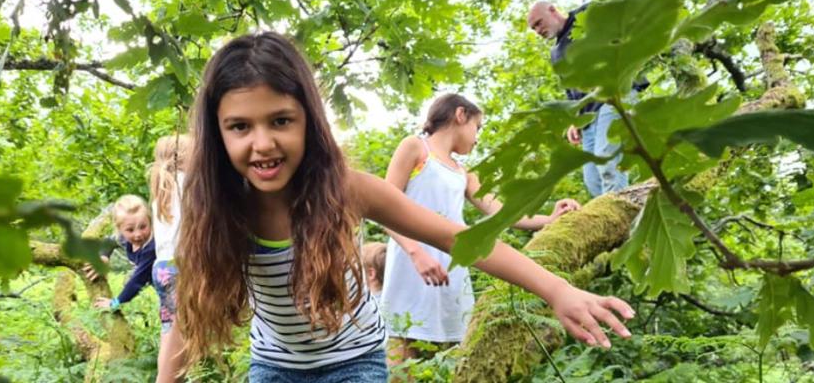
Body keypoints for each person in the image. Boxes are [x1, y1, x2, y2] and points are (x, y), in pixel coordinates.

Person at [172, 32, 635, 382]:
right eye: (239, 127)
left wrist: (557, 291)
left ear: (309, 121)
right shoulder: (215, 209)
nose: (263, 143)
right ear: (217, 133)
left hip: (354, 362)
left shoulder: (346, 190)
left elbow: (457, 236)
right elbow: (187, 309)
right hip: (273, 366)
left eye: (280, 121)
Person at [382, 93, 581, 368]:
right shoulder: (415, 148)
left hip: (452, 266)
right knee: (404, 354)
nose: (477, 138)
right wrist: (415, 252)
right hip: (411, 264)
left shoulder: (464, 172)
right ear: (460, 115)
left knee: (453, 357)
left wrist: (550, 218)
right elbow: (382, 206)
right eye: (478, 127)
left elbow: (502, 212)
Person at [527, 1, 649, 197]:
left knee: (607, 161)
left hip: (615, 95)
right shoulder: (556, 52)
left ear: (552, 10)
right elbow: (571, 91)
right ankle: (618, 218)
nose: (537, 30)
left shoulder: (585, 13)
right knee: (591, 178)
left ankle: (617, 218)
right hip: (589, 116)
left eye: (539, 23)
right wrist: (574, 121)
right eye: (533, 28)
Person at [148, 134, 193, 383]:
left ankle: (165, 377)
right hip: (182, 265)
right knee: (184, 332)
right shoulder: (188, 183)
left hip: (162, 267)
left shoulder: (161, 188)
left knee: (169, 330)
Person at [88, 195, 156, 311]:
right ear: (120, 229)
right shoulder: (123, 239)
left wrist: (116, 302)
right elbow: (108, 241)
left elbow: (137, 281)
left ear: (150, 222)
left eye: (143, 227)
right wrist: (103, 258)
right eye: (130, 230)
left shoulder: (151, 248)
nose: (138, 234)